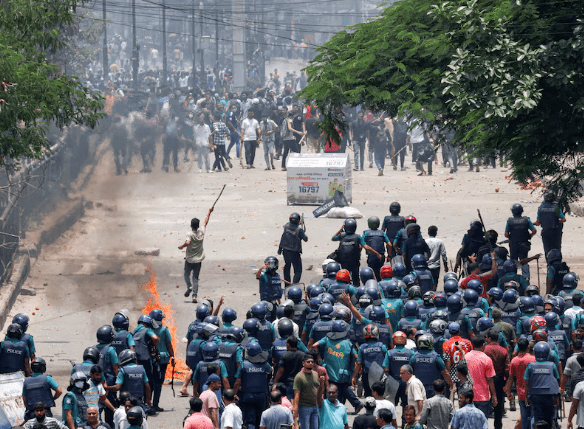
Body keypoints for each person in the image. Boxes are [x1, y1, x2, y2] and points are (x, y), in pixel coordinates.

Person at [233, 342, 272, 429]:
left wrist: (234, 394)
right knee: (260, 420)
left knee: (250, 421)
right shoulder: (265, 364)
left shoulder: (244, 364)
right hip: (261, 396)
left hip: (247, 396)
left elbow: (237, 382)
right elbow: (269, 372)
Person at [179, 207, 214, 303]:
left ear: (191, 226)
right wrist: (209, 212)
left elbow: (187, 242)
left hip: (190, 260)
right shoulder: (201, 232)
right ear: (198, 226)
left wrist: (182, 246)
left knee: (186, 275)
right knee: (195, 278)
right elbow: (205, 222)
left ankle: (189, 286)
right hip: (198, 260)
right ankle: (194, 296)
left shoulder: (189, 234)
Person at [524, 342, 560, 428]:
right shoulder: (552, 366)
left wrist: (526, 396)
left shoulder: (530, 366)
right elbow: (556, 381)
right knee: (549, 418)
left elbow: (526, 383)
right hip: (549, 396)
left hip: (535, 396)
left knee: (537, 418)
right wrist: (557, 396)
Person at [464, 336, 497, 419]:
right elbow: (490, 379)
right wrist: (494, 396)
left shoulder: (465, 357)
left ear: (473, 345)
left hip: (468, 395)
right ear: (483, 345)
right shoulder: (487, 359)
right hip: (483, 397)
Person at [148, 309, 174, 412]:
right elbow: (169, 345)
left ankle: (148, 402)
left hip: (151, 359)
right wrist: (172, 357)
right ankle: (155, 404)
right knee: (158, 382)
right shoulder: (164, 330)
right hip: (163, 360)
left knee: (151, 382)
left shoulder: (149, 330)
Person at [483, 330, 509, 429]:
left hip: (486, 379)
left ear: (489, 338)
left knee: (485, 403)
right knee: (498, 406)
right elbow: (507, 368)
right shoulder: (503, 350)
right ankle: (498, 426)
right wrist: (506, 382)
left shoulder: (485, 350)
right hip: (499, 380)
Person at [505, 203, 537, 280]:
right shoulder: (526, 220)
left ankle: (513, 277)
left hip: (513, 245)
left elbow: (506, 234)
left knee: (513, 262)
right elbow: (534, 230)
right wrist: (529, 236)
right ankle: (526, 278)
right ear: (521, 211)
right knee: (524, 261)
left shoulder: (510, 221)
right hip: (524, 244)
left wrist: (511, 237)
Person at [534, 190, 566, 259]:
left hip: (546, 232)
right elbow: (563, 219)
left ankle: (549, 264)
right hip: (555, 232)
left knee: (547, 249)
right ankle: (557, 263)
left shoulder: (541, 208)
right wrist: (557, 221)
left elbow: (538, 222)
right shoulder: (556, 207)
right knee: (557, 248)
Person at [278, 213, 308, 284]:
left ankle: (287, 284)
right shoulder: (299, 230)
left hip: (285, 251)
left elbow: (288, 224)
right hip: (294, 252)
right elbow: (305, 239)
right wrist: (303, 231)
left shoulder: (286, 226)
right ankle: (294, 285)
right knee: (298, 271)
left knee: (287, 267)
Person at [293, 353, 319, 429]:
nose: (310, 363)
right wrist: (295, 409)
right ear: (303, 363)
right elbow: (297, 394)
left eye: (312, 362)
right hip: (304, 407)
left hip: (315, 406)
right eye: (308, 362)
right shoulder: (299, 377)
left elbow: (317, 388)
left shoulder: (315, 374)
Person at [362, 216, 390, 281]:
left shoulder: (366, 233)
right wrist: (389, 255)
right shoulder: (382, 233)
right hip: (381, 256)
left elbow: (361, 245)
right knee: (379, 272)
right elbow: (389, 244)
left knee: (371, 273)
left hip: (371, 256)